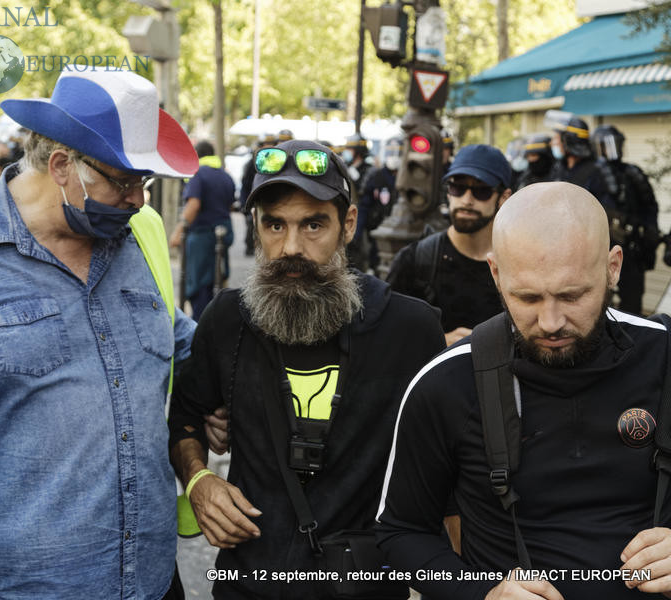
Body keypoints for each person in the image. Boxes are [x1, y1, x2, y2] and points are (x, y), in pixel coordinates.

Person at [0, 69, 199, 600]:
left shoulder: (141, 236)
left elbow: (184, 343)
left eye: (147, 182)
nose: (139, 200)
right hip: (5, 588)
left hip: (151, 582)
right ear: (62, 165)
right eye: (124, 182)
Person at [168, 139, 446, 599]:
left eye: (313, 224)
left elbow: (447, 468)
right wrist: (198, 478)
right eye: (274, 225)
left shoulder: (410, 330)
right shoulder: (226, 320)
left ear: (348, 224)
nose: (291, 247)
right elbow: (184, 414)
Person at [376, 181, 671, 600]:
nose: (550, 322)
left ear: (613, 267)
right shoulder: (447, 382)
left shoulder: (665, 356)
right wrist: (481, 593)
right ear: (496, 274)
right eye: (527, 297)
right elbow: (400, 530)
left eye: (573, 295)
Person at [387, 144, 512, 346]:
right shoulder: (415, 261)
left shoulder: (517, 263)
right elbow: (386, 337)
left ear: (503, 198)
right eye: (458, 188)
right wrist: (437, 341)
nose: (466, 200)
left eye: (481, 191)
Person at [590, 125, 660, 315]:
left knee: (633, 299)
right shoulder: (590, 174)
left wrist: (649, 232)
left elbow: (650, 205)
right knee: (599, 299)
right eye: (607, 145)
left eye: (617, 144)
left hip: (631, 246)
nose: (613, 150)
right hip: (600, 246)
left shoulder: (632, 173)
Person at [170, 140, 235, 320]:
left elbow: (194, 204)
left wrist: (177, 231)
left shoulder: (198, 175)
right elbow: (229, 205)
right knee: (217, 279)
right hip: (224, 233)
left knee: (198, 284)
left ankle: (200, 325)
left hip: (203, 235)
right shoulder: (225, 176)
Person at [351, 136, 403, 273]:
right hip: (377, 231)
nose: (393, 156)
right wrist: (356, 231)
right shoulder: (377, 176)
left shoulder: (407, 177)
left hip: (401, 233)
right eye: (390, 152)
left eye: (397, 152)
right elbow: (364, 206)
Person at [545, 110, 604, 194]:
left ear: (569, 141)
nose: (551, 143)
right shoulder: (558, 168)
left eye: (556, 138)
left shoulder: (595, 172)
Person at [239, 133, 277, 256]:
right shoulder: (253, 163)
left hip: (273, 202)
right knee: (253, 226)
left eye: (272, 144)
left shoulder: (279, 161)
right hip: (256, 201)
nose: (269, 147)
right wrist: (244, 204)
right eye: (266, 144)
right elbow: (245, 184)